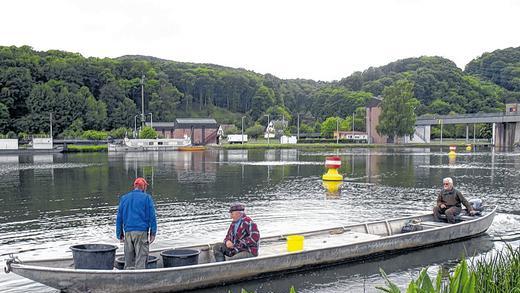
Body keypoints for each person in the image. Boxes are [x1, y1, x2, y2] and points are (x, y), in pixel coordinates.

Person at [116, 177, 157, 269]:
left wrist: (120, 234)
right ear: (144, 187)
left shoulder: (124, 198)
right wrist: (153, 233)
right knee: (141, 261)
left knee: (129, 261)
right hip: (141, 233)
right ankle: (140, 280)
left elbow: (119, 218)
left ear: (134, 186)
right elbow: (152, 217)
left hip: (128, 234)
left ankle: (128, 279)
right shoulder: (147, 198)